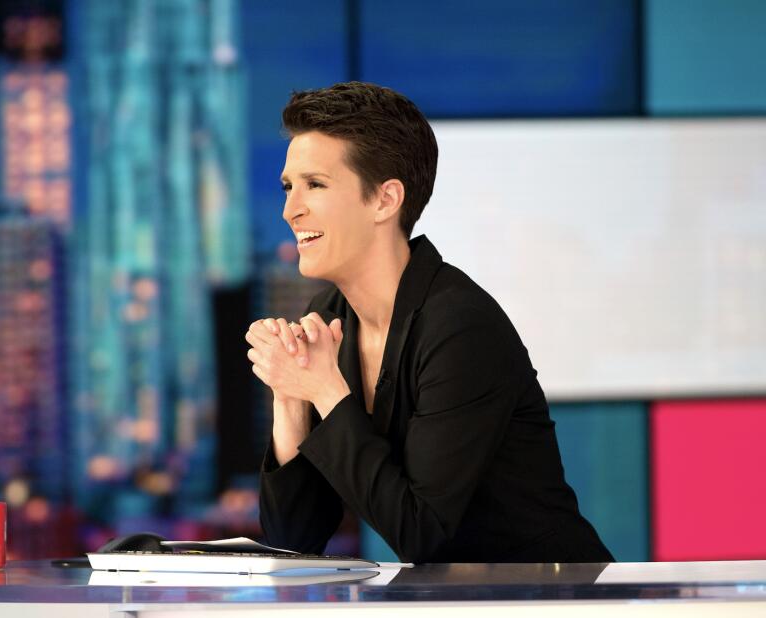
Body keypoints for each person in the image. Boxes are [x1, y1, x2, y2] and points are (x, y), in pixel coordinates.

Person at [246, 82, 613, 564]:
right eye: (288, 186)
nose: (290, 209)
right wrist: (290, 399)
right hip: (450, 617)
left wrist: (325, 391)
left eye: (315, 184)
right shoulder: (331, 315)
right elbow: (295, 539)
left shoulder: (460, 328)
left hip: (560, 607)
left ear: (384, 200)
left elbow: (422, 532)